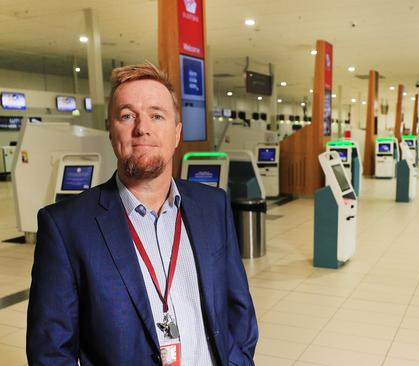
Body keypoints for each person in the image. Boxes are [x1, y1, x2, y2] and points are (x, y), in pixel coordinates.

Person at [27, 63, 258, 365]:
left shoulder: (212, 206)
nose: (142, 128)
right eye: (127, 116)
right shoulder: (66, 227)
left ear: (177, 133)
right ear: (111, 131)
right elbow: (51, 353)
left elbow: (238, 311)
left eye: (157, 115)